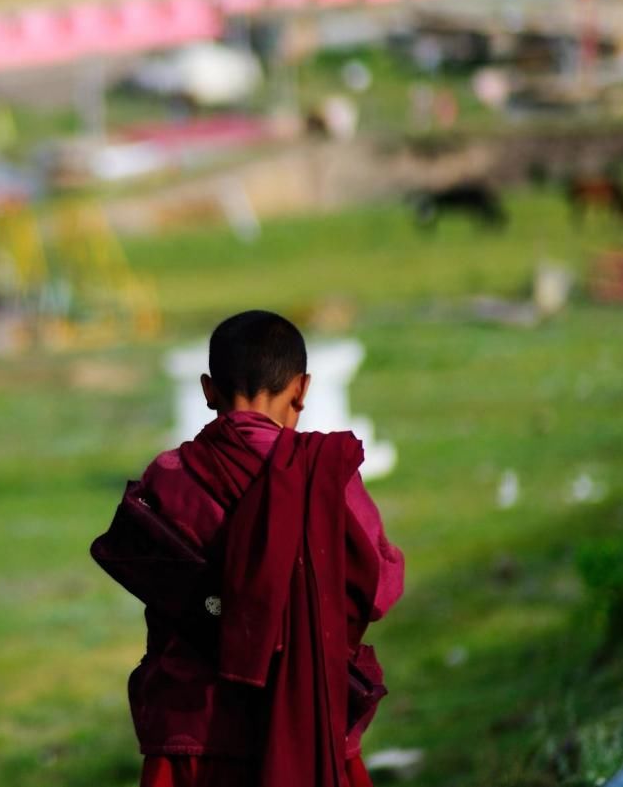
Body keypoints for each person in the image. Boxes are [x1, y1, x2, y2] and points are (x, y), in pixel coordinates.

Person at [92, 309, 404, 787]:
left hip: (196, 727)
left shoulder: (172, 475)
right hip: (310, 719)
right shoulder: (326, 477)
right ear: (301, 389)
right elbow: (380, 588)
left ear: (207, 390)